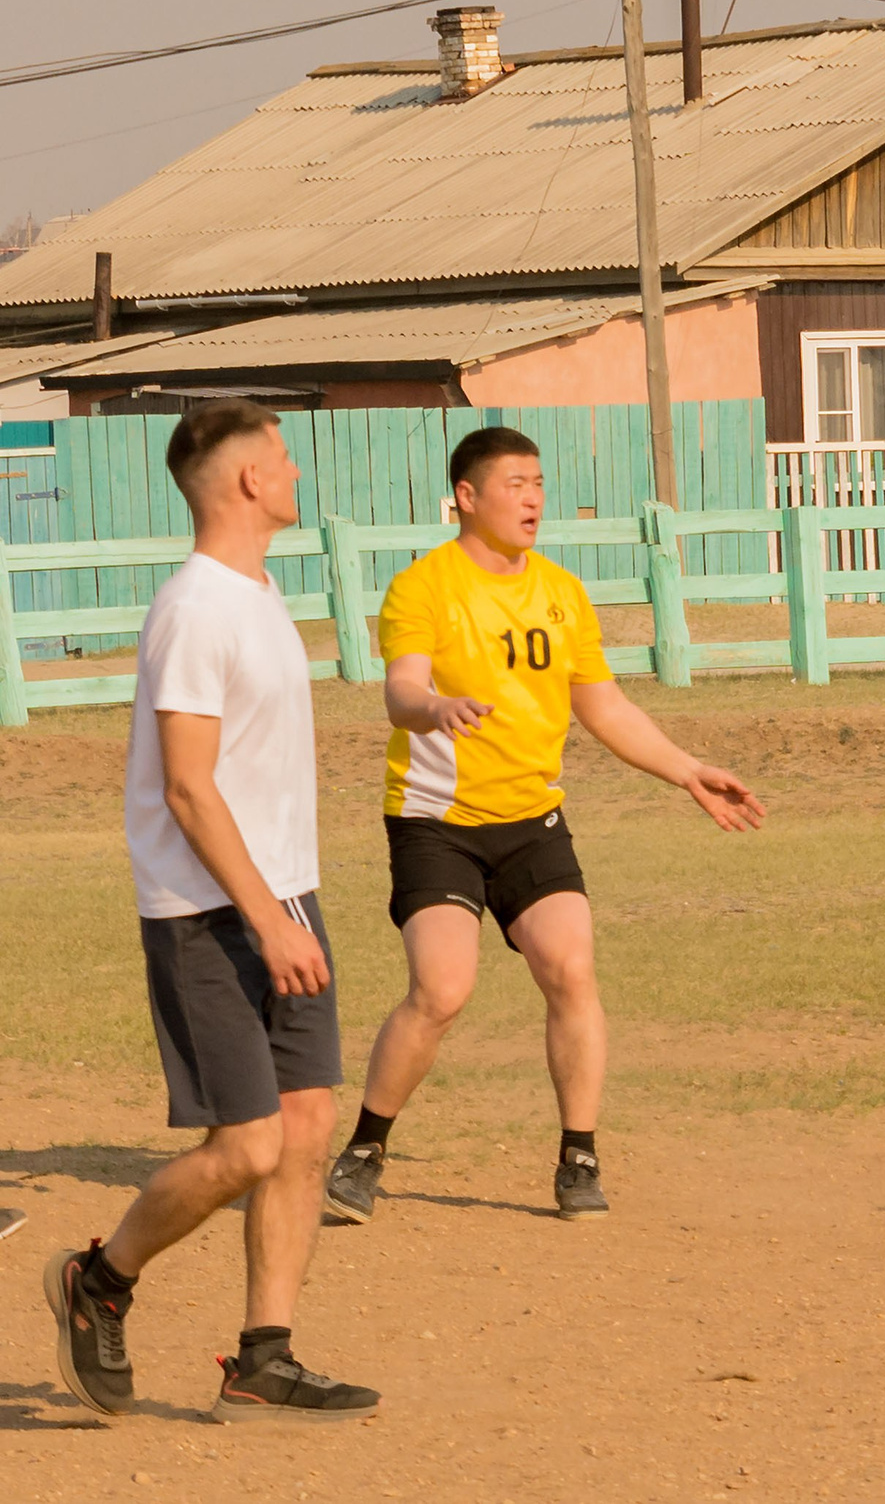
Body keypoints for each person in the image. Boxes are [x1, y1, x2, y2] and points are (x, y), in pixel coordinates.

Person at [324, 427, 764, 1224]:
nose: (533, 498)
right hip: (436, 822)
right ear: (467, 495)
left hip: (533, 819)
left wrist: (687, 769)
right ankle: (364, 1149)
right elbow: (400, 692)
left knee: (570, 968)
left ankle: (579, 1158)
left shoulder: (562, 591)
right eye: (515, 483)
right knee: (442, 989)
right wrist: (434, 707)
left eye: (539, 483)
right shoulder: (423, 587)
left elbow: (605, 706)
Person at [44, 400, 379, 1422]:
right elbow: (189, 787)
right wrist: (267, 919)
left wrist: (291, 906)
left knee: (308, 1123)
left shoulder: (261, 593)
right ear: (244, 480)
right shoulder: (195, 607)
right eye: (281, 456)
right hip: (207, 909)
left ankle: (263, 1357)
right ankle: (99, 1277)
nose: (293, 470)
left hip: (281, 896)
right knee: (247, 1145)